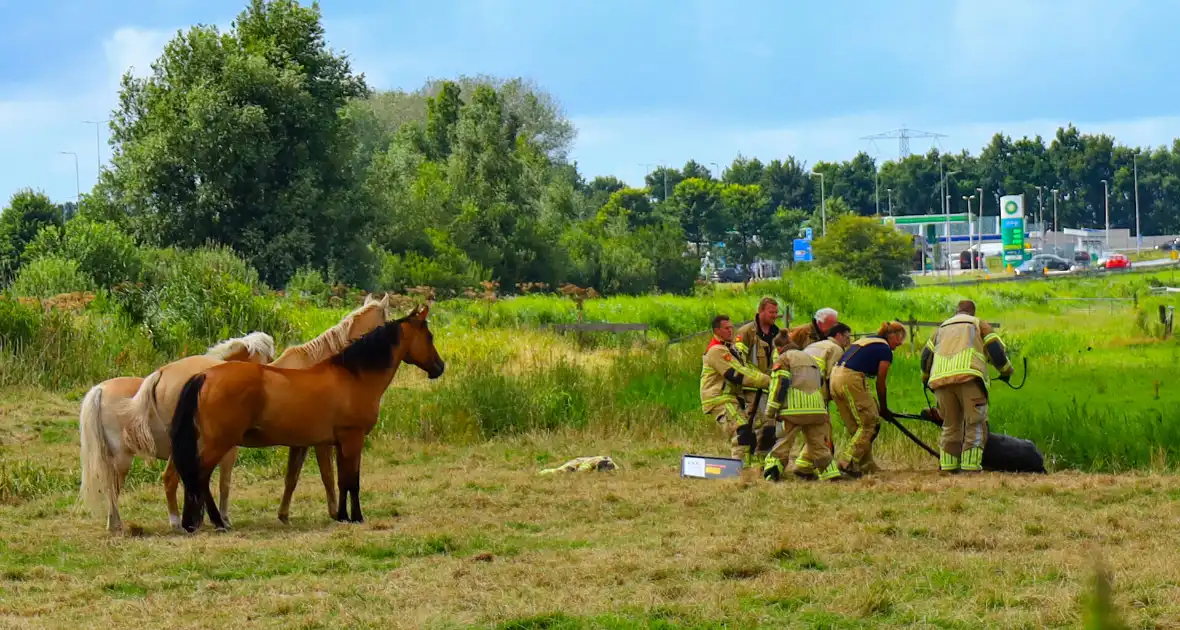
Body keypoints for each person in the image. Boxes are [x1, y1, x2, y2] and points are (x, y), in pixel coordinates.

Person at [921, 300, 1014, 473]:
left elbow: (925, 357)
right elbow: (995, 351)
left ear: (957, 311)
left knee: (949, 424)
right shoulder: (978, 324)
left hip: (940, 381)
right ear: (972, 312)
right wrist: (1006, 371)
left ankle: (948, 467)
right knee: (975, 423)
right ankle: (970, 469)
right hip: (969, 378)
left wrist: (925, 378)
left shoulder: (940, 329)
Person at [762, 332, 845, 482]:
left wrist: (771, 410)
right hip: (817, 409)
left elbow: (780, 384)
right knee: (819, 445)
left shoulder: (784, 359)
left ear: (779, 348)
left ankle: (772, 470)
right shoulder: (810, 358)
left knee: (784, 441)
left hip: (793, 410)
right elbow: (819, 382)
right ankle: (830, 474)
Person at [830, 321, 907, 477]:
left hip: (834, 378)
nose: (899, 344)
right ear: (891, 335)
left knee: (856, 427)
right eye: (899, 339)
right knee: (870, 423)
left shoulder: (867, 340)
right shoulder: (885, 350)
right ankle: (848, 462)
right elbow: (881, 381)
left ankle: (866, 465)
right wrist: (883, 408)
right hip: (850, 378)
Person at [700, 314, 771, 469]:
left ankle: (754, 469)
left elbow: (748, 369)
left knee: (755, 432)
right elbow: (737, 374)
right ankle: (738, 472)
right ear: (717, 330)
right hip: (719, 399)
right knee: (742, 432)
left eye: (731, 327)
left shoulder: (730, 348)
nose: (730, 330)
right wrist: (769, 382)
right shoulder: (717, 351)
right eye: (726, 328)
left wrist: (769, 377)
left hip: (731, 397)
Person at [733, 297, 784, 468]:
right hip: (751, 388)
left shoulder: (778, 333)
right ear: (761, 311)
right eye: (771, 312)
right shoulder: (746, 332)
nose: (774, 316)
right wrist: (755, 379)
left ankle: (763, 461)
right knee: (751, 425)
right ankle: (746, 462)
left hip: (771, 386)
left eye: (776, 312)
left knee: (770, 425)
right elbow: (738, 360)